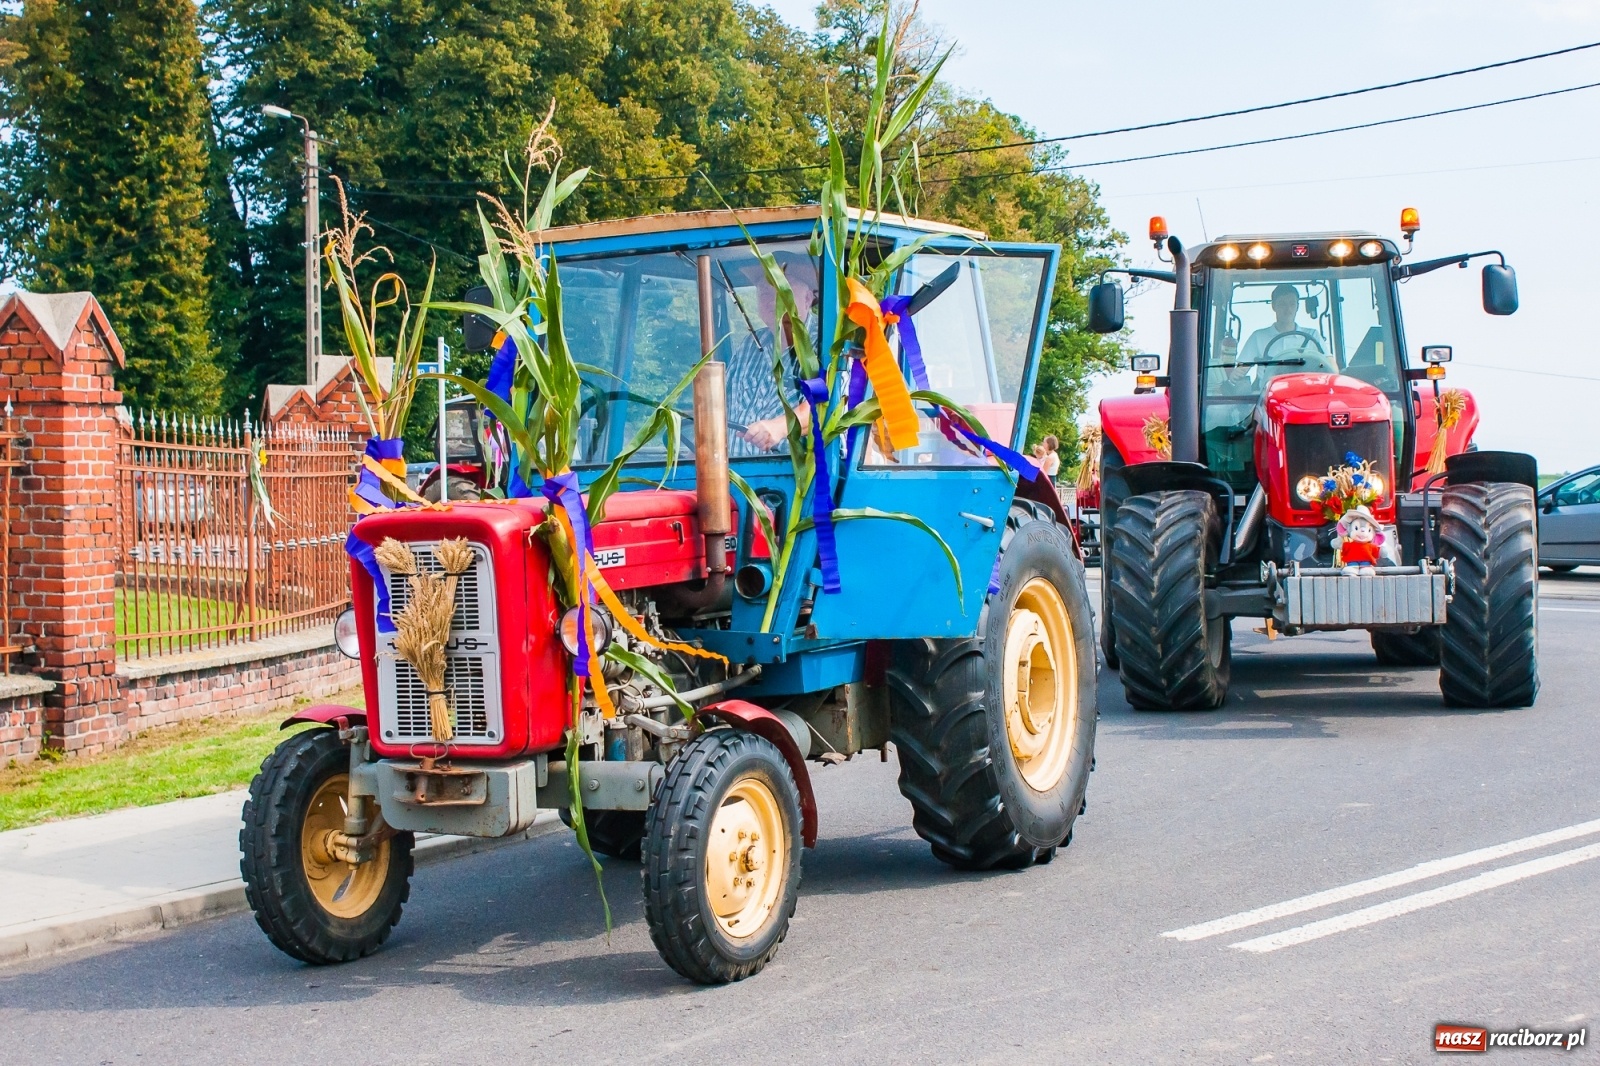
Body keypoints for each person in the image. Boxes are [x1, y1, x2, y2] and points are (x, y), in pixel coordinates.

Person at [725, 257, 818, 457]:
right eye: (765, 292)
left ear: (807, 299)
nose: (773, 299)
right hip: (732, 472)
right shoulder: (749, 346)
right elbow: (720, 406)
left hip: (793, 475)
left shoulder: (823, 345)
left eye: (783, 290)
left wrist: (779, 427)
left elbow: (824, 404)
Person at [1238, 283, 1335, 372]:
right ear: (1273, 306)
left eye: (1292, 304)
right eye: (1282, 304)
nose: (1288, 309)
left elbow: (1331, 368)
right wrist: (1237, 373)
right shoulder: (1258, 336)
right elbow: (1241, 369)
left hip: (1304, 384)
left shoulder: (1312, 335)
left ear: (1297, 306)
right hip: (1268, 385)